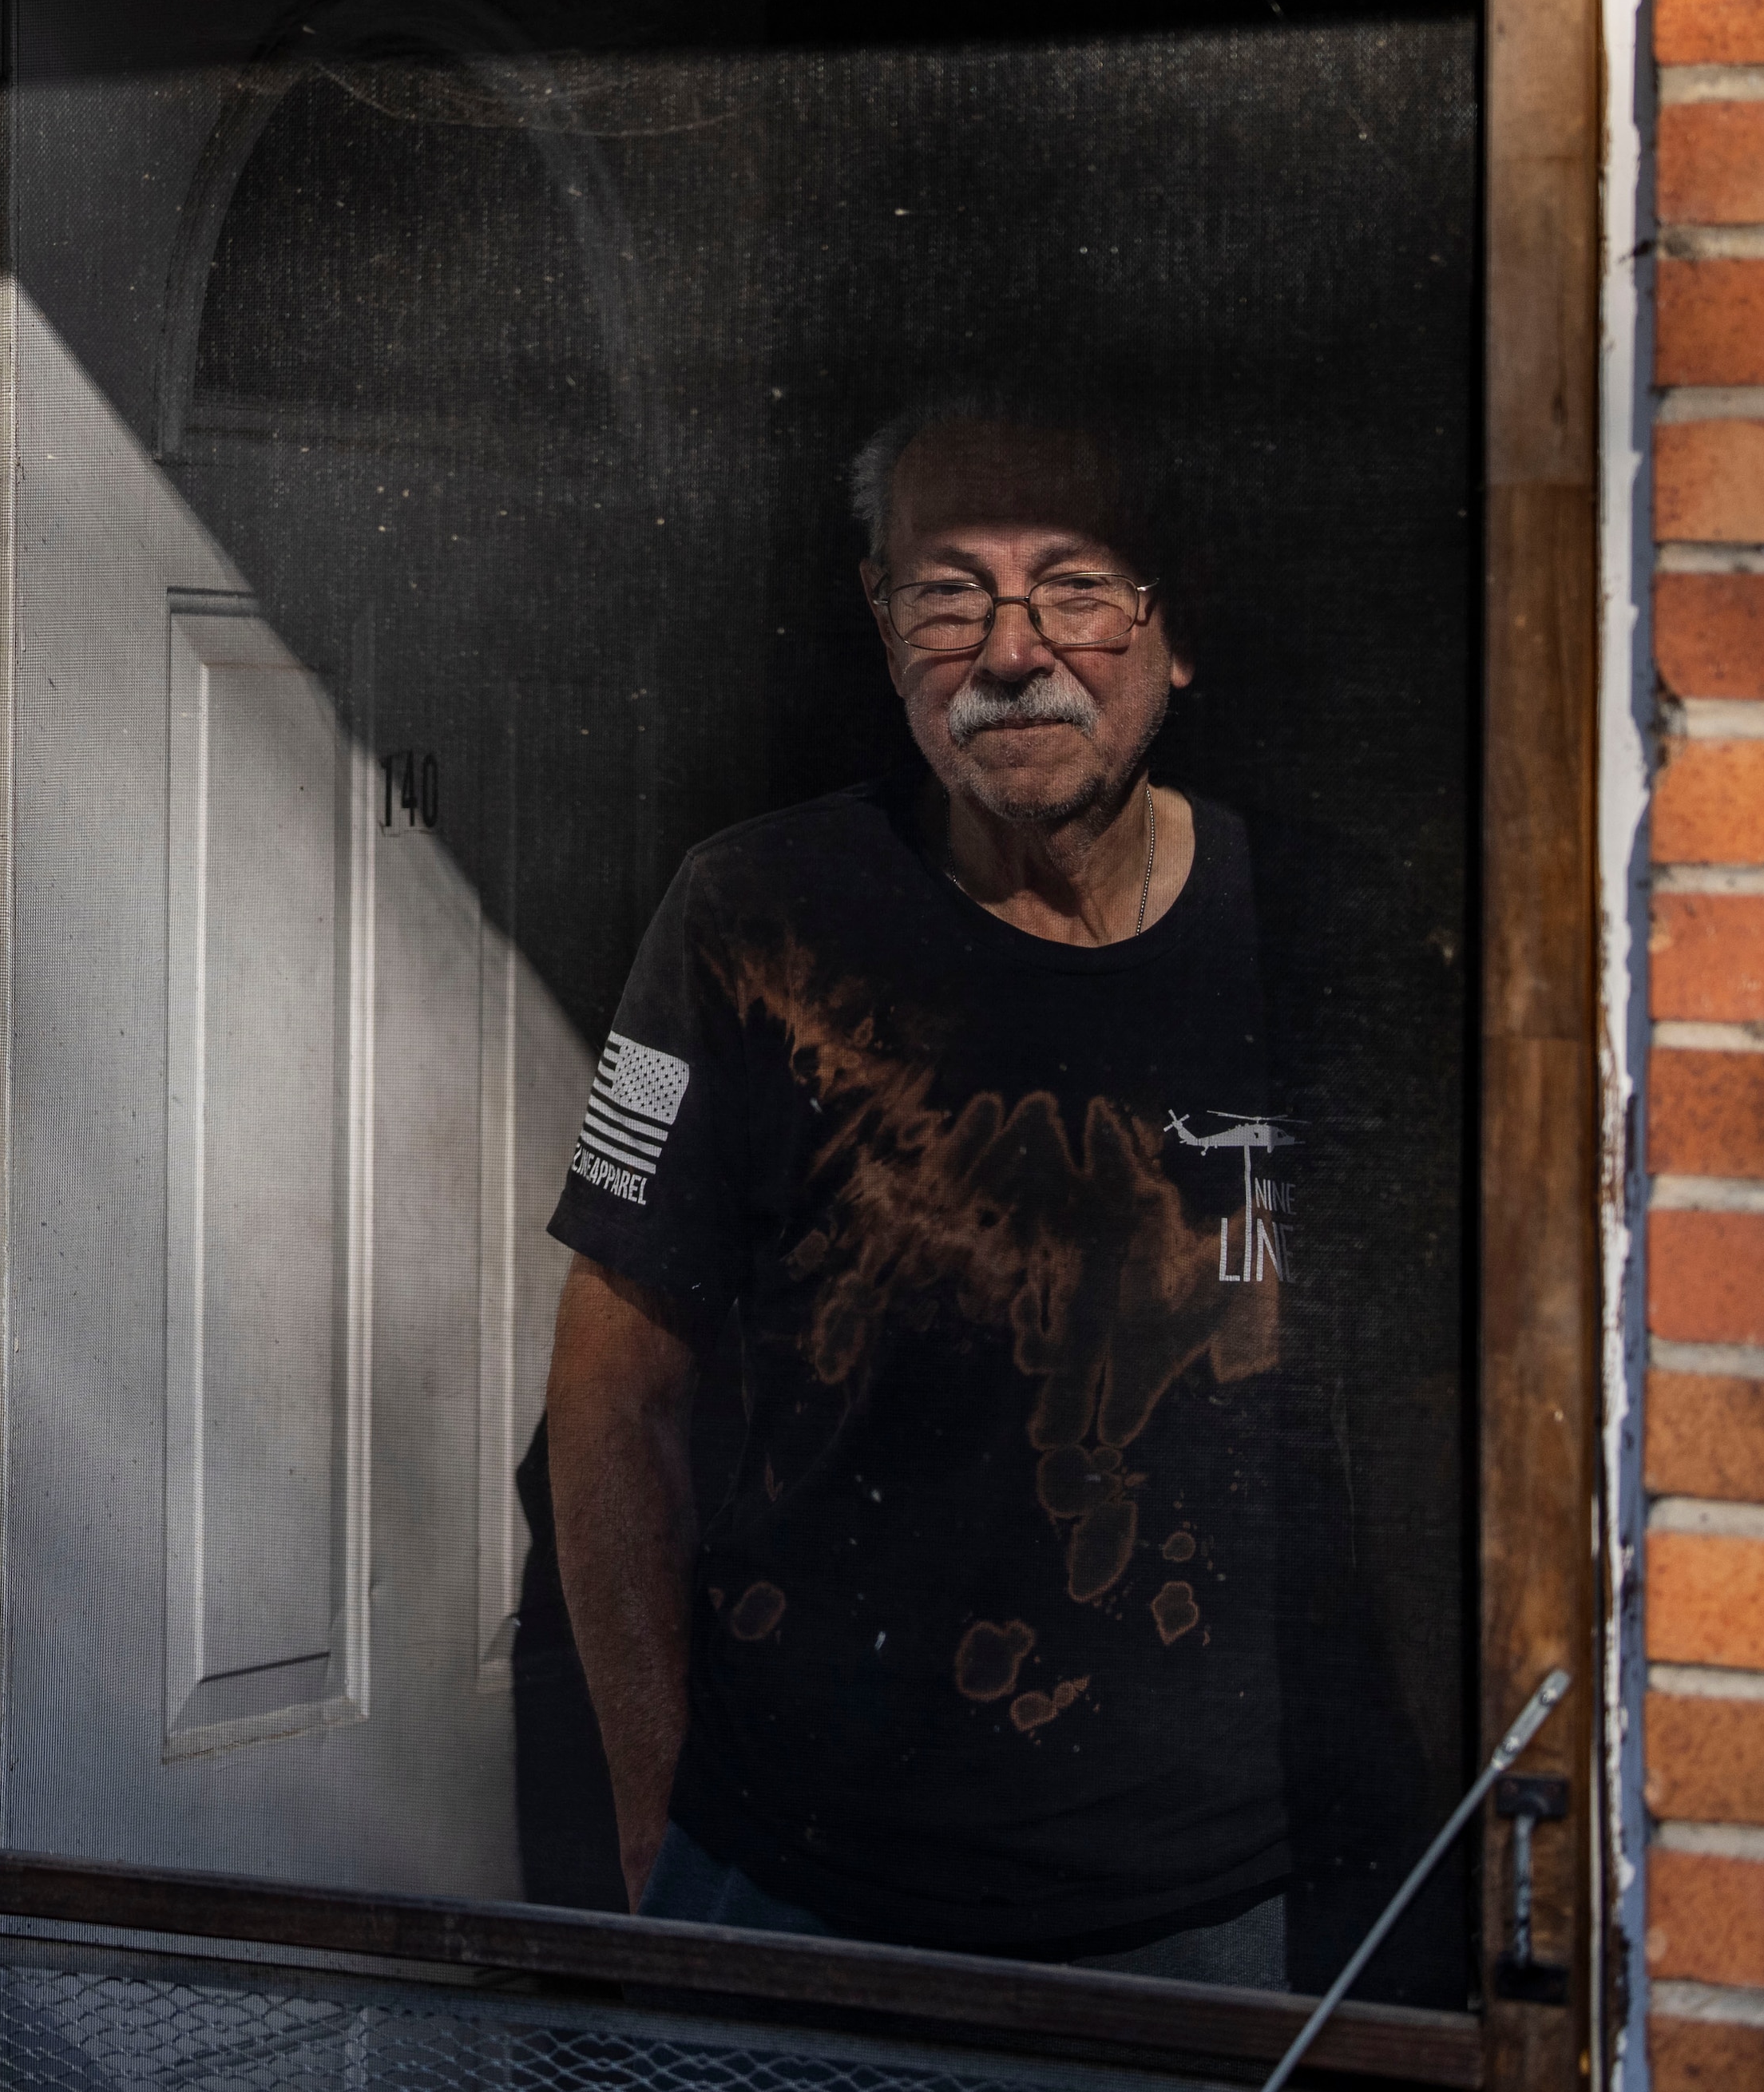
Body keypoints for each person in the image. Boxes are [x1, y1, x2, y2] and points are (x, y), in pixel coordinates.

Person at [544, 395, 1305, 1987]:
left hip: (1208, 1914)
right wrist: (657, 1833)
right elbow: (611, 1396)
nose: (1012, 650)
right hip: (794, 1889)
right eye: (949, 593)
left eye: (1075, 587)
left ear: (1174, 631)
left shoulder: (1301, 930)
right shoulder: (751, 912)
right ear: (883, 625)